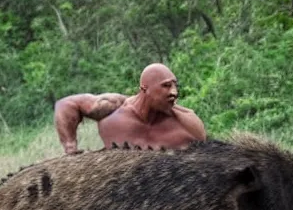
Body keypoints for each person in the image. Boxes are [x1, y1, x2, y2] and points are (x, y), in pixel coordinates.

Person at [54, 63, 207, 154]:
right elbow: (66, 105)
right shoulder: (114, 108)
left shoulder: (187, 122)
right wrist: (70, 147)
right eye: (166, 86)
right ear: (144, 88)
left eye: (175, 86)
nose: (174, 92)